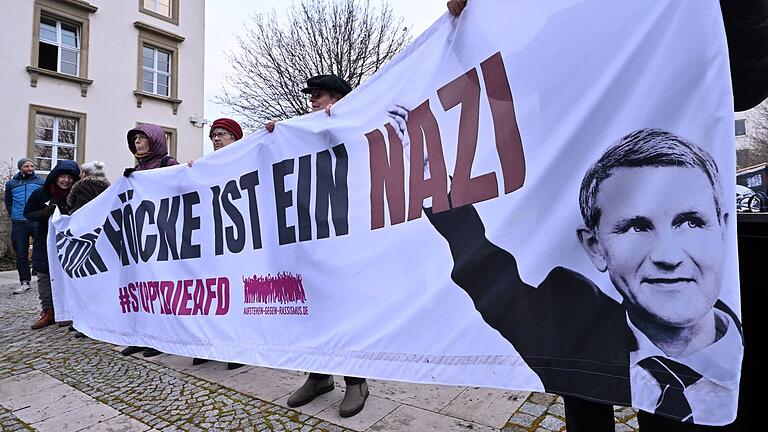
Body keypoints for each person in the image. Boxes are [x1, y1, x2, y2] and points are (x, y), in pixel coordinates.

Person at [424, 129, 742, 430]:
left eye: (689, 223)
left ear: (723, 229)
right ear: (595, 247)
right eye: (636, 228)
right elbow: (493, 280)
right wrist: (437, 188)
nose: (668, 256)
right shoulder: (571, 324)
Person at [267, 74, 368, 418]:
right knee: (315, 307)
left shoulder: (358, 125)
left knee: (345, 305)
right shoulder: (305, 133)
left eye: (320, 95)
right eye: (312, 96)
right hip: (313, 235)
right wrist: (274, 138)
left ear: (339, 100)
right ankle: (319, 375)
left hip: (347, 233)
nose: (312, 101)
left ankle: (356, 380)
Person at [187, 118, 244, 370]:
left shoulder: (246, 158)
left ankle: (238, 347)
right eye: (213, 135)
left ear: (235, 138)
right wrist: (188, 173)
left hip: (241, 239)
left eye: (222, 134)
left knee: (238, 292)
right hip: (212, 239)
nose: (217, 139)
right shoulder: (205, 165)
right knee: (212, 292)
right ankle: (212, 343)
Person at [122, 124, 178, 357]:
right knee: (143, 286)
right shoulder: (137, 169)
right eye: (135, 139)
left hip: (163, 233)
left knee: (161, 285)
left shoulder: (168, 163)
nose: (137, 142)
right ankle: (143, 335)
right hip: (142, 234)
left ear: (154, 140)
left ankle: (162, 337)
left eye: (142, 138)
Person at [23, 160, 80, 330]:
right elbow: (28, 213)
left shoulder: (76, 194)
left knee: (68, 276)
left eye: (70, 177)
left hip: (69, 242)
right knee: (44, 276)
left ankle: (67, 311)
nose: (66, 181)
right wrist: (44, 213)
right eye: (62, 176)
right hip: (45, 240)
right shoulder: (41, 194)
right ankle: (49, 312)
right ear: (55, 177)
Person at [4, 158, 44, 294]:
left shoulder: (40, 182)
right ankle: (24, 282)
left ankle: (42, 278)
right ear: (20, 168)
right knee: (21, 253)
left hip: (36, 221)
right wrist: (13, 214)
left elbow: (45, 200)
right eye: (27, 166)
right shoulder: (11, 184)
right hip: (19, 222)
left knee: (42, 250)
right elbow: (8, 202)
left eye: (32, 166)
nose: (30, 168)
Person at [264, 74, 352, 132]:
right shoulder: (305, 130)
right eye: (311, 95)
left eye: (317, 94)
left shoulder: (354, 126)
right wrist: (279, 131)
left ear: (338, 98)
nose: (311, 99)